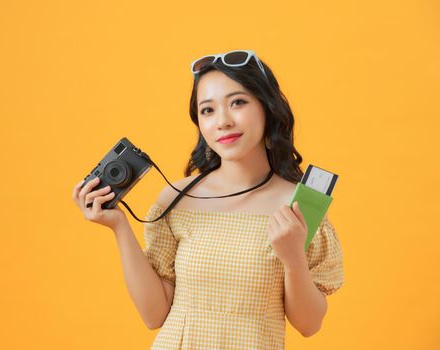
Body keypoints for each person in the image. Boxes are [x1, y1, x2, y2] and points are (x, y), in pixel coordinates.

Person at [72, 49, 344, 349]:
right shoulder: (177, 199)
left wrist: (293, 258)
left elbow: (308, 325)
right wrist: (119, 226)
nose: (223, 121)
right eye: (208, 110)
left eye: (238, 102)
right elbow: (154, 315)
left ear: (267, 109)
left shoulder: (300, 206)